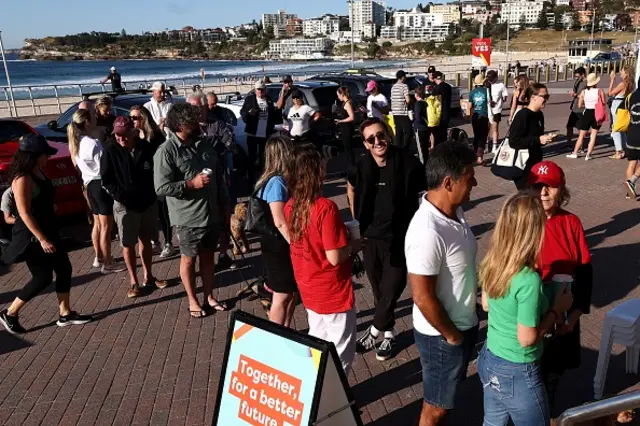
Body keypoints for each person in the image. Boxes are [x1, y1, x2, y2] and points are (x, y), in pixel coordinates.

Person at [478, 192, 573, 426]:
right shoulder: (528, 279)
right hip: (518, 370)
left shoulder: (493, 260)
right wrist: (556, 311)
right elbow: (526, 338)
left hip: (490, 357)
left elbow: (486, 304)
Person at [406, 142, 478, 426]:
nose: (474, 182)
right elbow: (422, 297)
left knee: (445, 400)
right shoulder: (427, 231)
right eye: (469, 177)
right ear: (449, 183)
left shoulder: (455, 212)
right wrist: (451, 337)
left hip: (462, 325)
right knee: (435, 408)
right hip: (442, 337)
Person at [347, 118, 425, 361]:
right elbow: (350, 186)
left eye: (381, 136)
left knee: (392, 288)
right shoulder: (361, 166)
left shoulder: (407, 162)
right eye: (371, 139)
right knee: (379, 290)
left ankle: (373, 330)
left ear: (388, 135)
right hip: (370, 238)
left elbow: (425, 192)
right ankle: (389, 335)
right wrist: (354, 218)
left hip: (400, 237)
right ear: (366, 144)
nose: (378, 142)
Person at [0, 135, 93, 334]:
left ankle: (65, 313)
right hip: (33, 236)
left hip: (49, 229)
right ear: (33, 156)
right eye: (45, 155)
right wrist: (42, 239)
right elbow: (24, 213)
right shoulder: (23, 178)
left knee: (64, 268)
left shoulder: (38, 171)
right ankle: (10, 312)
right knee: (42, 277)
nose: (48, 158)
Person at [284, 145, 361, 374]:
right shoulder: (325, 208)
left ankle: (315, 391)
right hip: (332, 289)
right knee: (341, 353)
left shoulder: (291, 206)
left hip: (309, 285)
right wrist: (354, 244)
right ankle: (334, 401)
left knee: (317, 344)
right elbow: (335, 256)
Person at [526, 161, 593, 415]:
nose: (543, 192)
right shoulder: (524, 222)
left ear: (561, 190)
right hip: (531, 313)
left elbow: (585, 273)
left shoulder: (571, 223)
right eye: (537, 186)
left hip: (562, 315)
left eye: (550, 186)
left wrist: (575, 316)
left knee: (552, 378)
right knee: (528, 379)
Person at [154, 104, 230, 318]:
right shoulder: (166, 151)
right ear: (179, 125)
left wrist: (225, 207)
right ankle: (192, 300)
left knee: (208, 258)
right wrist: (191, 184)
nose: (197, 125)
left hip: (212, 213)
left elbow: (218, 178)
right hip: (188, 217)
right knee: (189, 259)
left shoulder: (204, 144)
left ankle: (209, 296)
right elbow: (161, 188)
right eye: (192, 123)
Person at [101, 117, 167, 298]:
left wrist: (153, 195)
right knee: (127, 243)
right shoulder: (110, 149)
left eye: (124, 135)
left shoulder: (145, 147)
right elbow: (106, 179)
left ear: (133, 132)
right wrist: (122, 197)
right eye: (117, 135)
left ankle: (149, 276)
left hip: (147, 202)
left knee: (146, 239)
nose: (121, 139)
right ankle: (133, 281)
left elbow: (156, 171)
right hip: (125, 205)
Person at [67, 109, 124, 274]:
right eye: (93, 117)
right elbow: (103, 167)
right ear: (87, 122)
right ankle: (108, 262)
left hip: (90, 185)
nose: (96, 118)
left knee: (98, 223)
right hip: (99, 184)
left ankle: (99, 257)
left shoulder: (76, 143)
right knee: (106, 226)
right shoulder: (93, 143)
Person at [255, 136, 297, 327]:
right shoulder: (277, 183)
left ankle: (286, 331)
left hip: (274, 243)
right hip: (278, 245)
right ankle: (275, 336)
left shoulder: (269, 180)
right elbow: (279, 221)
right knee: (282, 294)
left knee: (290, 292)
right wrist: (295, 243)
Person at [130, 105, 175, 258]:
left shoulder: (155, 135)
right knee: (151, 213)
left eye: (135, 118)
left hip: (159, 177)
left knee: (163, 212)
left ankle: (169, 242)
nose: (133, 121)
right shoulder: (134, 136)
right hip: (144, 180)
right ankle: (155, 242)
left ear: (144, 118)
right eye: (131, 118)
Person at [509, 83, 556, 190]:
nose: (546, 100)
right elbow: (514, 141)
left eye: (547, 97)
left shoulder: (539, 114)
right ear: (533, 97)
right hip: (522, 165)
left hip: (536, 162)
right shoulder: (523, 115)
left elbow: (535, 137)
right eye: (544, 97)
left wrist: (546, 138)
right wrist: (538, 139)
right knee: (527, 197)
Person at [240, 81, 278, 190]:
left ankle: (263, 182)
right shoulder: (250, 99)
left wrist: (272, 128)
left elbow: (272, 115)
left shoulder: (268, 100)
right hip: (252, 134)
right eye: (258, 89)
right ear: (255, 90)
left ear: (265, 90)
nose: (260, 91)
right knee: (252, 159)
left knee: (264, 159)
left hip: (264, 134)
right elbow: (243, 113)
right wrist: (249, 113)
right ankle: (251, 183)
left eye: (262, 89)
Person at [567, 73, 607, 161]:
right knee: (593, 135)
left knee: (581, 135)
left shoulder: (584, 92)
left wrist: (587, 103)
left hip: (587, 112)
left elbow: (580, 104)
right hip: (596, 113)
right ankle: (588, 155)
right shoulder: (600, 91)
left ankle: (575, 152)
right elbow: (604, 102)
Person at [608, 66, 635, 160]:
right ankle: (624, 149)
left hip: (617, 103)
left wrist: (612, 80)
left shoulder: (623, 83)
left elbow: (610, 93)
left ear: (626, 73)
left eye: (622, 71)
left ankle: (618, 151)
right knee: (622, 127)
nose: (620, 72)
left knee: (616, 127)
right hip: (623, 103)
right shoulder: (632, 84)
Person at [623, 81, 640, 199]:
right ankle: (632, 181)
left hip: (631, 133)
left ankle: (629, 192)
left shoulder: (631, 96)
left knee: (632, 162)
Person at [469, 74, 490, 165]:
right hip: (484, 116)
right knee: (483, 137)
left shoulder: (472, 92)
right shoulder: (487, 91)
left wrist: (468, 116)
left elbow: (470, 106)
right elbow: (490, 103)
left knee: (476, 136)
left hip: (475, 116)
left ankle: (474, 155)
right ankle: (480, 157)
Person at [487, 70, 509, 154]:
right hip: (495, 109)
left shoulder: (487, 85)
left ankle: (489, 146)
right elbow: (505, 98)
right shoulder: (500, 85)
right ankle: (493, 147)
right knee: (494, 129)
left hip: (492, 110)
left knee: (489, 128)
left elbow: (505, 96)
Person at [566, 67, 587, 151]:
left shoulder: (587, 83)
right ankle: (569, 143)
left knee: (580, 128)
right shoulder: (578, 81)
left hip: (582, 108)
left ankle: (581, 146)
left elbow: (587, 96)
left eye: (578, 76)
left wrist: (575, 95)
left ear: (583, 74)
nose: (576, 78)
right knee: (569, 126)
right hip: (575, 107)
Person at [390, 70, 412, 150]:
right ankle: (406, 149)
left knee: (398, 133)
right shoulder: (404, 86)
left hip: (395, 113)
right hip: (402, 113)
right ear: (402, 77)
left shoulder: (393, 87)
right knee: (409, 132)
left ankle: (398, 149)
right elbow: (408, 100)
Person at [335, 86, 356, 167]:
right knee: (346, 148)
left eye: (338, 95)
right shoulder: (345, 102)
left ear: (342, 94)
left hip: (347, 128)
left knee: (348, 148)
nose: (338, 97)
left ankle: (352, 166)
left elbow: (352, 117)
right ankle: (350, 166)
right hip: (344, 128)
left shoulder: (347, 103)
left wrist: (341, 121)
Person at [432, 71, 452, 145]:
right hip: (447, 112)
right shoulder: (448, 86)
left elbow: (435, 102)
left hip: (439, 114)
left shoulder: (436, 88)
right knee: (444, 133)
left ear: (434, 79)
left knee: (438, 135)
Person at [413, 86, 430, 164]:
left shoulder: (418, 104)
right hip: (426, 128)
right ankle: (426, 163)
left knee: (420, 149)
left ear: (417, 95)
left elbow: (418, 117)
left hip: (419, 128)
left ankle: (422, 166)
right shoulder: (426, 103)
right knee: (425, 148)